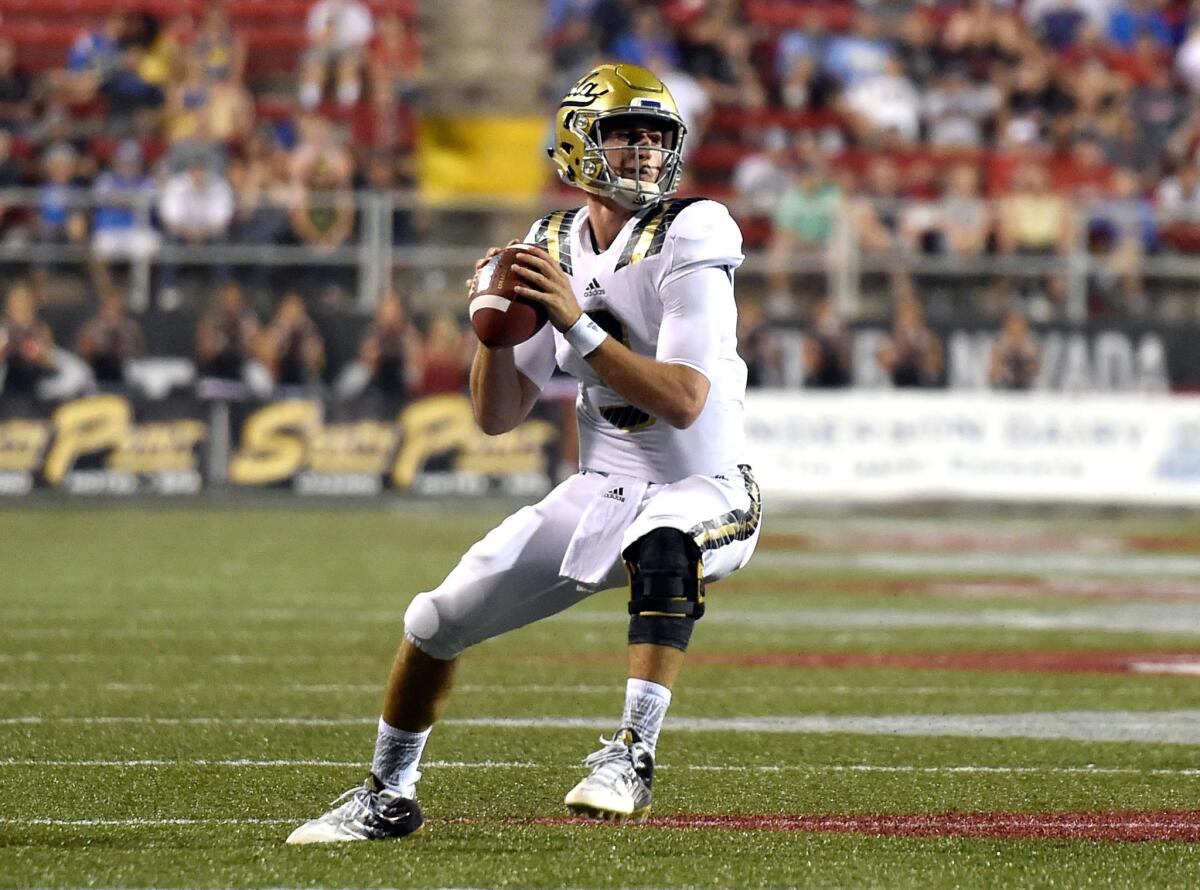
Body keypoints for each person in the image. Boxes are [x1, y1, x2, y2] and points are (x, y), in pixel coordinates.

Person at [287, 62, 761, 843]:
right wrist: (492, 333)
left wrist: (576, 325)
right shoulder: (547, 244)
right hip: (602, 485)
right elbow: (497, 415)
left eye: (654, 137)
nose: (644, 152)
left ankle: (631, 754)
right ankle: (387, 793)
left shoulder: (693, 228)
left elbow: (681, 399)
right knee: (434, 619)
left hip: (705, 483)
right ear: (579, 144)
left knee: (666, 543)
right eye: (624, 134)